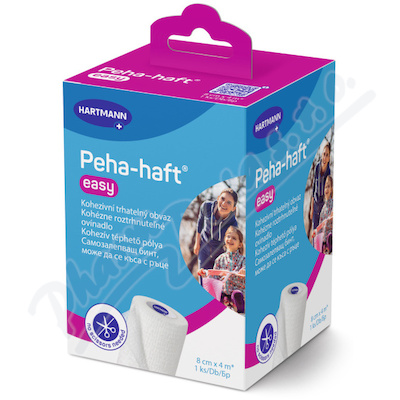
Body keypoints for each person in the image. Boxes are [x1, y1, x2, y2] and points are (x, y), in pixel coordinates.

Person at [198, 226, 245, 312]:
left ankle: (239, 308)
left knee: (237, 295)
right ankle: (224, 306)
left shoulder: (243, 260)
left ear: (240, 245)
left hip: (237, 290)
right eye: (228, 236)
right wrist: (205, 274)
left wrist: (244, 271)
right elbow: (214, 277)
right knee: (216, 297)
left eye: (234, 238)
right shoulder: (220, 259)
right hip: (223, 291)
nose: (230, 239)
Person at [194, 188, 238, 274]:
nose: (224, 203)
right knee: (202, 276)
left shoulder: (233, 224)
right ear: (218, 198)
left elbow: (233, 244)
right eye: (222, 198)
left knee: (216, 280)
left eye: (229, 202)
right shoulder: (206, 207)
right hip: (204, 248)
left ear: (233, 208)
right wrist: (197, 242)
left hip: (220, 254)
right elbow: (200, 222)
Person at [310, 142, 331, 230]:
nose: (324, 157)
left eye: (327, 155)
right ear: (321, 154)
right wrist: (311, 208)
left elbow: (328, 192)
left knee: (321, 232)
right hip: (315, 205)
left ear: (329, 158)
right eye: (324, 154)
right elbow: (313, 188)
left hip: (323, 206)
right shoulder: (317, 167)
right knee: (314, 232)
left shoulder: (328, 172)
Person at [312, 175, 333, 253]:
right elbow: (321, 224)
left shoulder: (333, 203)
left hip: (330, 238)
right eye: (325, 187)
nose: (326, 189)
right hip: (323, 243)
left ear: (332, 188)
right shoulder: (323, 208)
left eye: (328, 186)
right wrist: (316, 230)